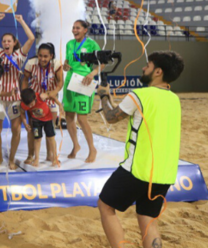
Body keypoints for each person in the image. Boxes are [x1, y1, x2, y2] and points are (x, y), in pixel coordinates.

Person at [97, 51, 185, 248]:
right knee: (148, 218)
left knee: (105, 205)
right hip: (164, 173)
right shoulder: (174, 99)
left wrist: (103, 95)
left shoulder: (140, 94)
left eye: (148, 65)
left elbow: (111, 117)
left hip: (137, 169)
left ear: (158, 71)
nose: (144, 68)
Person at [0, 13, 35, 169]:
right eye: (4, 41)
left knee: (16, 129)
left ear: (14, 43)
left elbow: (31, 38)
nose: (6, 43)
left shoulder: (20, 55)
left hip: (14, 97)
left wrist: (22, 21)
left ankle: (11, 159)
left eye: (9, 41)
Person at [63, 19, 103, 163]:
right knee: (68, 117)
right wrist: (65, 66)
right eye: (73, 27)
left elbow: (102, 63)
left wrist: (92, 74)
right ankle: (76, 146)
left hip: (84, 81)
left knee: (81, 118)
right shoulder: (69, 44)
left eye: (77, 28)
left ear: (85, 30)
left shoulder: (92, 44)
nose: (74, 30)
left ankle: (92, 149)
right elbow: (67, 62)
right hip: (69, 80)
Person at [22, 43, 64, 165]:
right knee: (33, 130)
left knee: (50, 129)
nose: (42, 59)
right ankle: (31, 156)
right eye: (40, 56)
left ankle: (50, 156)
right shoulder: (31, 63)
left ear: (51, 56)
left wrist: (53, 93)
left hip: (50, 99)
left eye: (45, 56)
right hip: (34, 101)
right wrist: (25, 96)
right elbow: (25, 79)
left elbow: (60, 82)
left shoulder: (56, 64)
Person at [19, 88, 58, 167]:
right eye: (28, 105)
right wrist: (25, 124)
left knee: (51, 138)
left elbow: (52, 96)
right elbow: (22, 113)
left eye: (31, 104)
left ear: (34, 98)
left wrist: (60, 105)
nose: (30, 106)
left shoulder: (41, 96)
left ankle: (54, 158)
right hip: (36, 121)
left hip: (48, 119)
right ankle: (36, 159)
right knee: (37, 139)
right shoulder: (24, 104)